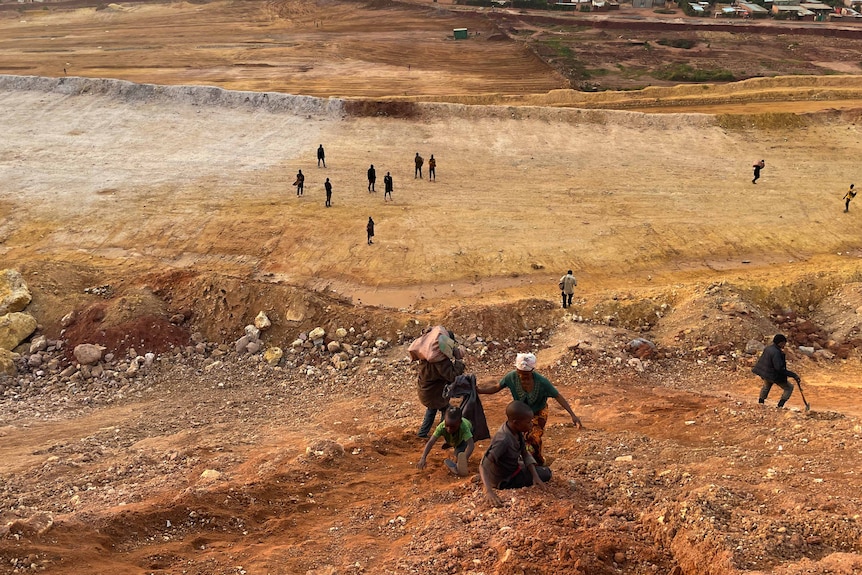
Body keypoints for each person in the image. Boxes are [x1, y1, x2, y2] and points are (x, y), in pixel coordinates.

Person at [478, 353, 582, 466]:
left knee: (533, 437)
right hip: (521, 413)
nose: (523, 377)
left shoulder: (542, 382)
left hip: (538, 412)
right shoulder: (511, 377)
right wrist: (479, 390)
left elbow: (558, 396)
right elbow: (496, 387)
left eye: (526, 375)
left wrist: (572, 415)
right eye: (520, 374)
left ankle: (536, 462)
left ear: (532, 370)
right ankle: (519, 459)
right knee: (516, 436)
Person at [479, 400, 551, 507]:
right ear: (516, 422)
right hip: (504, 479)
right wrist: (489, 491)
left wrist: (535, 477)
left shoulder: (515, 430)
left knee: (535, 470)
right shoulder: (503, 440)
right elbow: (483, 465)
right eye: (528, 422)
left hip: (511, 466)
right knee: (547, 472)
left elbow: (524, 452)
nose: (531, 424)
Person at [416, 332, 465, 438]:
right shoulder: (440, 361)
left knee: (434, 409)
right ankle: (441, 430)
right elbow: (452, 376)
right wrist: (458, 360)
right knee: (444, 409)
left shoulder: (428, 355)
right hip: (433, 394)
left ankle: (424, 433)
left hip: (427, 391)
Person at [417, 406, 475, 476]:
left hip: (465, 433)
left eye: (452, 427)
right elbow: (431, 442)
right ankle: (451, 442)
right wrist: (423, 457)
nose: (449, 429)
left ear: (459, 423)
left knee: (459, 453)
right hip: (454, 434)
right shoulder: (441, 427)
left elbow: (471, 445)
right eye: (447, 425)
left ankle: (454, 444)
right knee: (450, 435)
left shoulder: (464, 427)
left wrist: (463, 459)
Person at [753, 334, 800, 408]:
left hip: (765, 373)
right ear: (780, 343)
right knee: (789, 388)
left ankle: (760, 403)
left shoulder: (768, 348)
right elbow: (779, 368)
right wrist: (793, 375)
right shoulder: (777, 353)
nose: (784, 345)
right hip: (773, 375)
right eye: (784, 343)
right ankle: (780, 406)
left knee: (766, 386)